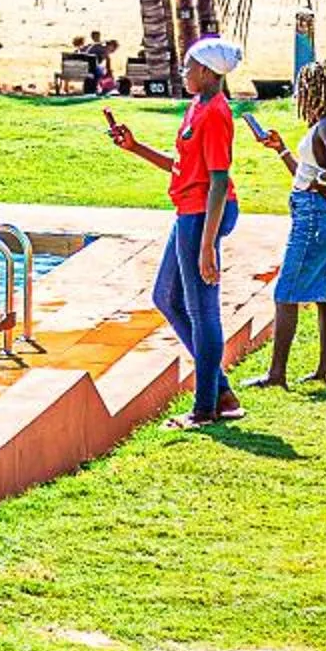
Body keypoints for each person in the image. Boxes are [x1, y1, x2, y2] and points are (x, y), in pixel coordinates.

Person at [104, 34, 244, 428]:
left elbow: (218, 180)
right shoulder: (196, 107)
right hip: (190, 212)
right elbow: (185, 169)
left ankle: (205, 409)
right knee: (166, 296)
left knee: (202, 310)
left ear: (205, 71)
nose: (182, 72)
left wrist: (206, 247)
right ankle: (221, 391)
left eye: (187, 67)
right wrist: (135, 147)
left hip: (203, 216)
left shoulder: (216, 113)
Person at [252, 58, 326, 388]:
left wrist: (323, 181)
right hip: (323, 213)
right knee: (325, 292)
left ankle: (276, 374)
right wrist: (281, 149)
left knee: (286, 292)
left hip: (315, 214)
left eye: (302, 89)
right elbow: (303, 175)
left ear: (313, 90)